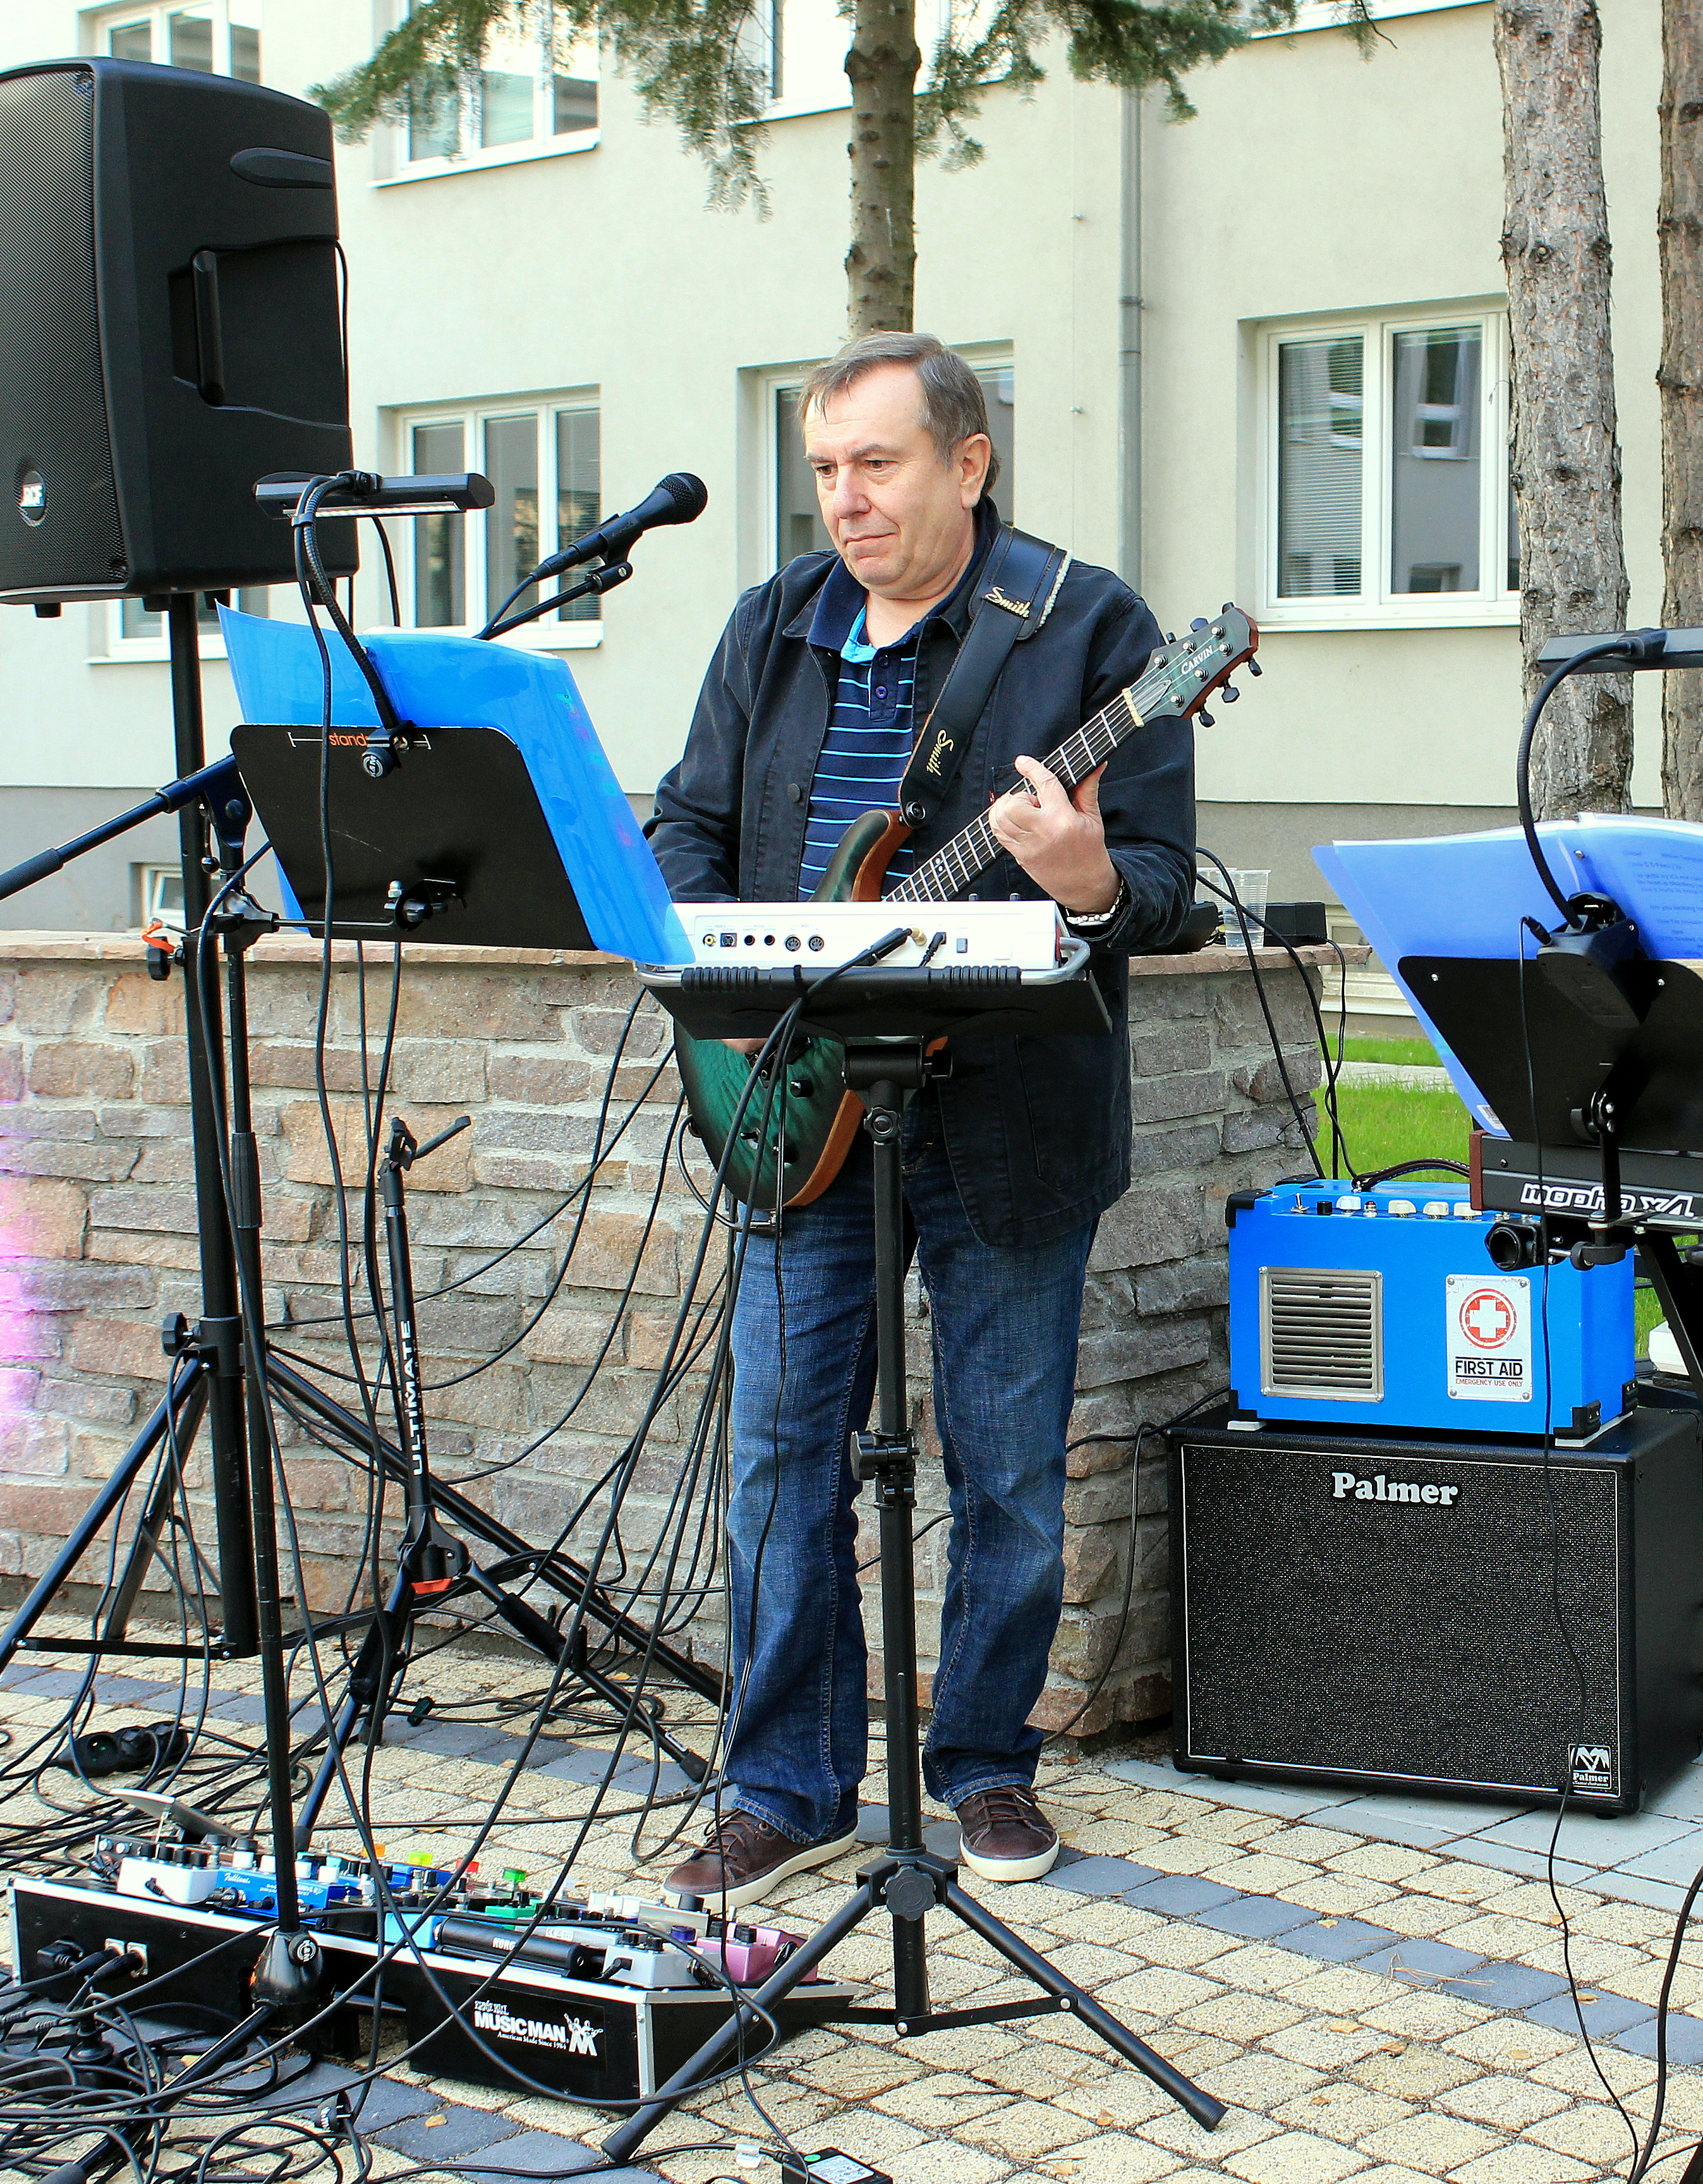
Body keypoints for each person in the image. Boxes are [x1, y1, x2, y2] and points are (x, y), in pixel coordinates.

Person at [650, 332, 1194, 1902]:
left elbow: (1155, 888)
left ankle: (983, 1766)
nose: (844, 500)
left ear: (968, 462)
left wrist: (1086, 877)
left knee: (1008, 1468)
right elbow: (686, 825)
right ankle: (785, 1783)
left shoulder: (1090, 625)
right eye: (824, 470)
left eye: (874, 465)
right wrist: (730, 981)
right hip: (791, 1100)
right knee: (775, 1458)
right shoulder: (772, 624)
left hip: (1008, 1114)